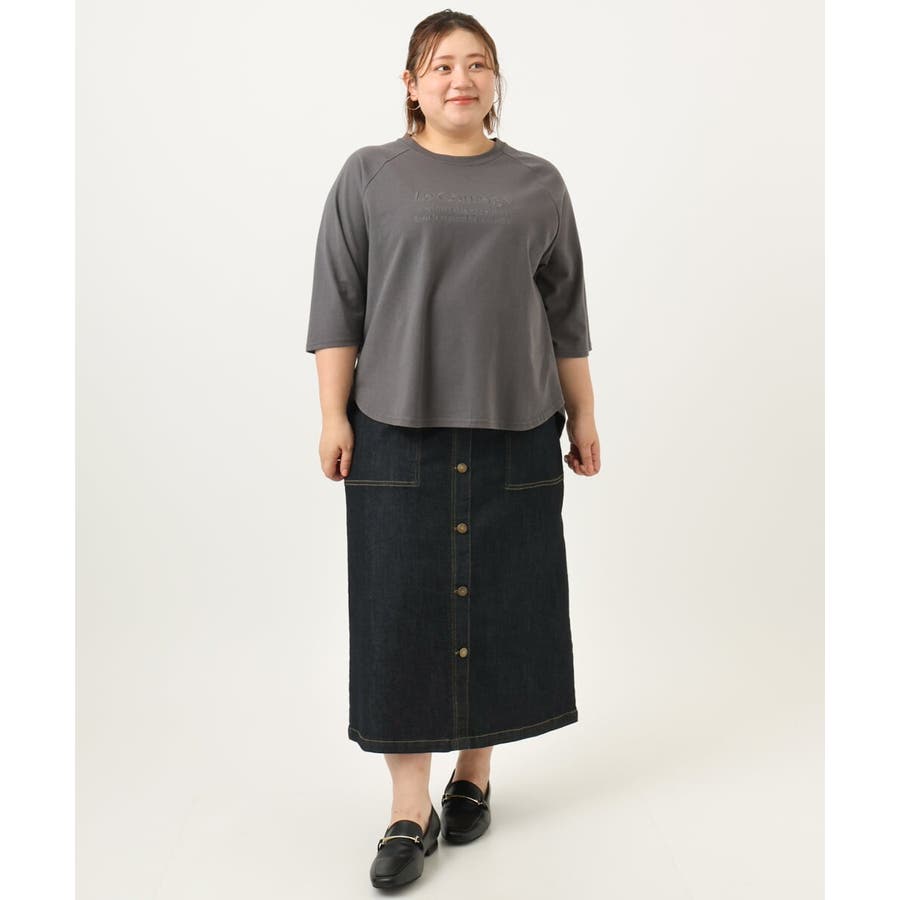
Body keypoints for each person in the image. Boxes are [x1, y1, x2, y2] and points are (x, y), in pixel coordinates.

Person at [306, 9, 601, 889]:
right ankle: (409, 807)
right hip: (396, 427)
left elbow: (567, 316)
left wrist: (585, 415)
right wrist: (332, 416)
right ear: (411, 84)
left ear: (496, 80)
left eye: (477, 64)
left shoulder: (538, 183)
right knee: (399, 613)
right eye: (440, 66)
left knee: (504, 602)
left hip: (517, 424)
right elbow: (337, 303)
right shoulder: (370, 175)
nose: (460, 79)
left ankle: (475, 772)